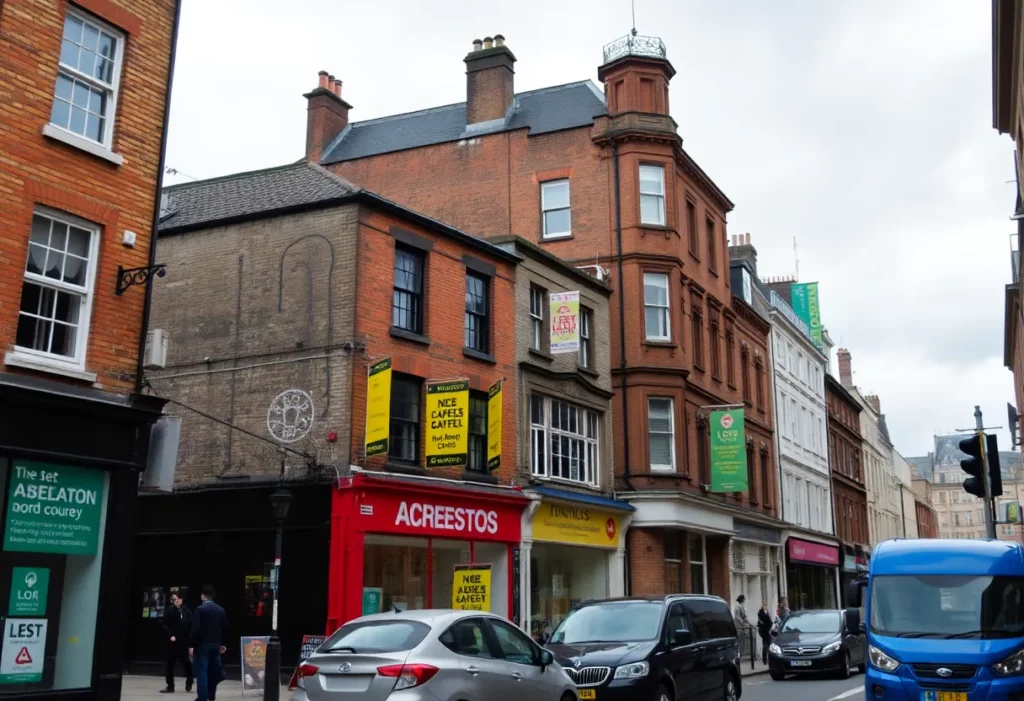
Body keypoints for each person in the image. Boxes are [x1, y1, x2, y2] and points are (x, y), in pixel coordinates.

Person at [190, 586, 229, 701]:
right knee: (213, 672)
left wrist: (191, 645)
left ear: (203, 596)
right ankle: (211, 696)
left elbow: (195, 629)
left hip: (202, 646)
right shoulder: (220, 610)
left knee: (202, 672)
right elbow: (225, 628)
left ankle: (202, 698)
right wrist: (224, 644)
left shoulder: (200, 609)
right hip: (215, 645)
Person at [160, 591, 193, 694]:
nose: (174, 601)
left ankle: (189, 680)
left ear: (181, 599)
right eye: (172, 599)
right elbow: (164, 624)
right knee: (170, 664)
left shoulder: (187, 611)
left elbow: (191, 626)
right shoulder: (170, 610)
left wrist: (190, 639)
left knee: (186, 663)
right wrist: (170, 635)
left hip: (183, 642)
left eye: (175, 599)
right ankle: (170, 686)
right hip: (173, 642)